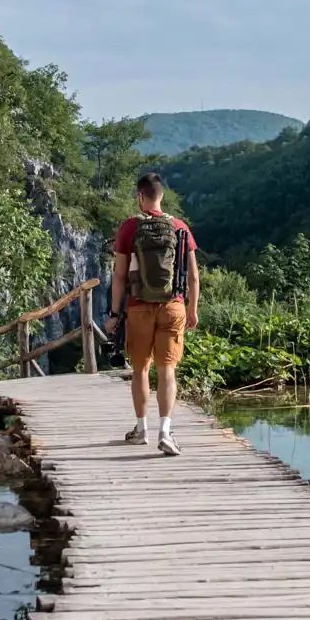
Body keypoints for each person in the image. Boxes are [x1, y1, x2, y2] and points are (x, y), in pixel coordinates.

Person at [107, 172, 198, 456]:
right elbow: (194, 276)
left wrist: (113, 313)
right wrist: (192, 309)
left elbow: (119, 276)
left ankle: (141, 430)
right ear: (162, 196)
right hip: (174, 305)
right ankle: (166, 431)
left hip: (139, 306)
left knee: (141, 369)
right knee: (167, 369)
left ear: (140, 196)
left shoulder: (130, 228)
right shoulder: (180, 227)